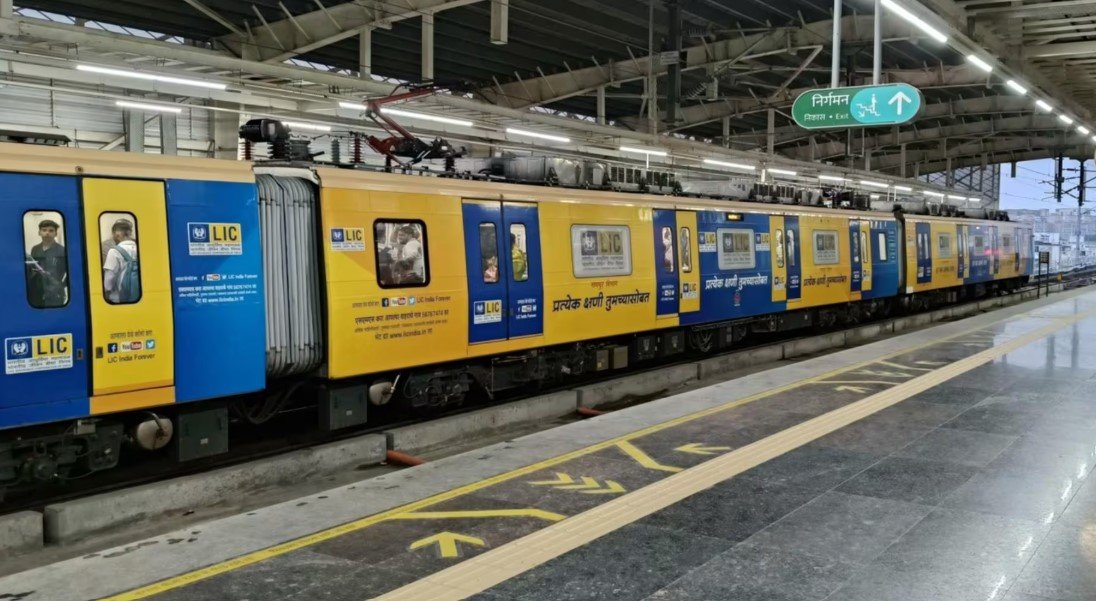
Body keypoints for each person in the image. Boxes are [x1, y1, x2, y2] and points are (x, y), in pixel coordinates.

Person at [26, 218, 67, 308]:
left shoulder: (62, 250)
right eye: (44, 230)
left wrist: (61, 285)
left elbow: (71, 272)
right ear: (39, 232)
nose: (47, 233)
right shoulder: (35, 249)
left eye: (51, 230)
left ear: (55, 233)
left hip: (54, 293)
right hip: (36, 292)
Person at [103, 218, 140, 303]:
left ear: (117, 234)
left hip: (119, 298)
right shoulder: (141, 247)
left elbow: (108, 283)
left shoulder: (114, 251)